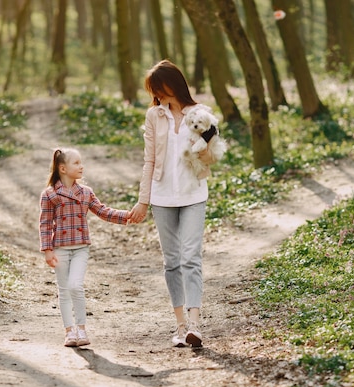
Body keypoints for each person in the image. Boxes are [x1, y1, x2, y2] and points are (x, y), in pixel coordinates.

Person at [128, 59, 221, 348]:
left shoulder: (201, 114)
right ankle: (180, 326)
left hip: (193, 193)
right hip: (162, 195)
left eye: (160, 87)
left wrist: (205, 149)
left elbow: (214, 155)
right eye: (154, 90)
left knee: (190, 258)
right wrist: (143, 201)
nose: (157, 94)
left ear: (173, 84)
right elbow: (149, 160)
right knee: (171, 263)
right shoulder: (154, 116)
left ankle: (195, 324)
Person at [39, 148, 131, 347]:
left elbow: (103, 211)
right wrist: (47, 250)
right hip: (60, 248)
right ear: (63, 168)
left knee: (75, 286)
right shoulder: (50, 195)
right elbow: (45, 224)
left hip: (81, 247)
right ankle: (69, 331)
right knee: (63, 291)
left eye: (81, 163)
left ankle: (81, 328)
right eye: (77, 163)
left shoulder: (86, 193)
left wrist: (127, 216)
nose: (82, 166)